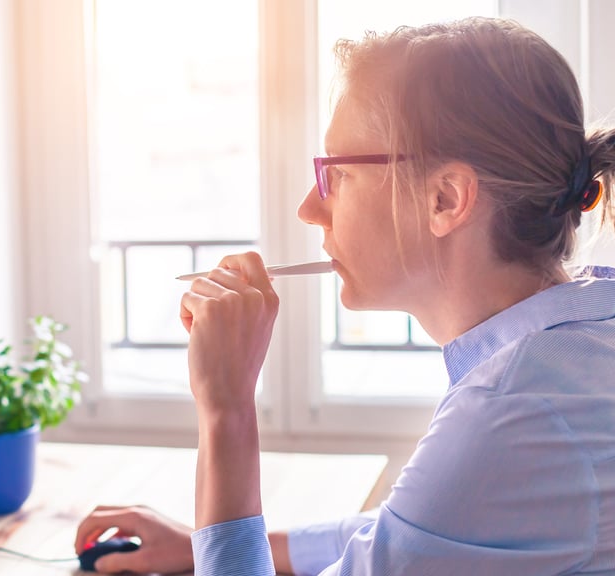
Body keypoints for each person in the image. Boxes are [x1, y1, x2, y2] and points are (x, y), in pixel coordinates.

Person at [75, 17, 615, 575]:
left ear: (445, 199)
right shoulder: (577, 345)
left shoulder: (510, 413)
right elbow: (410, 531)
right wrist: (204, 545)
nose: (310, 208)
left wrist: (227, 408)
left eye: (336, 174)